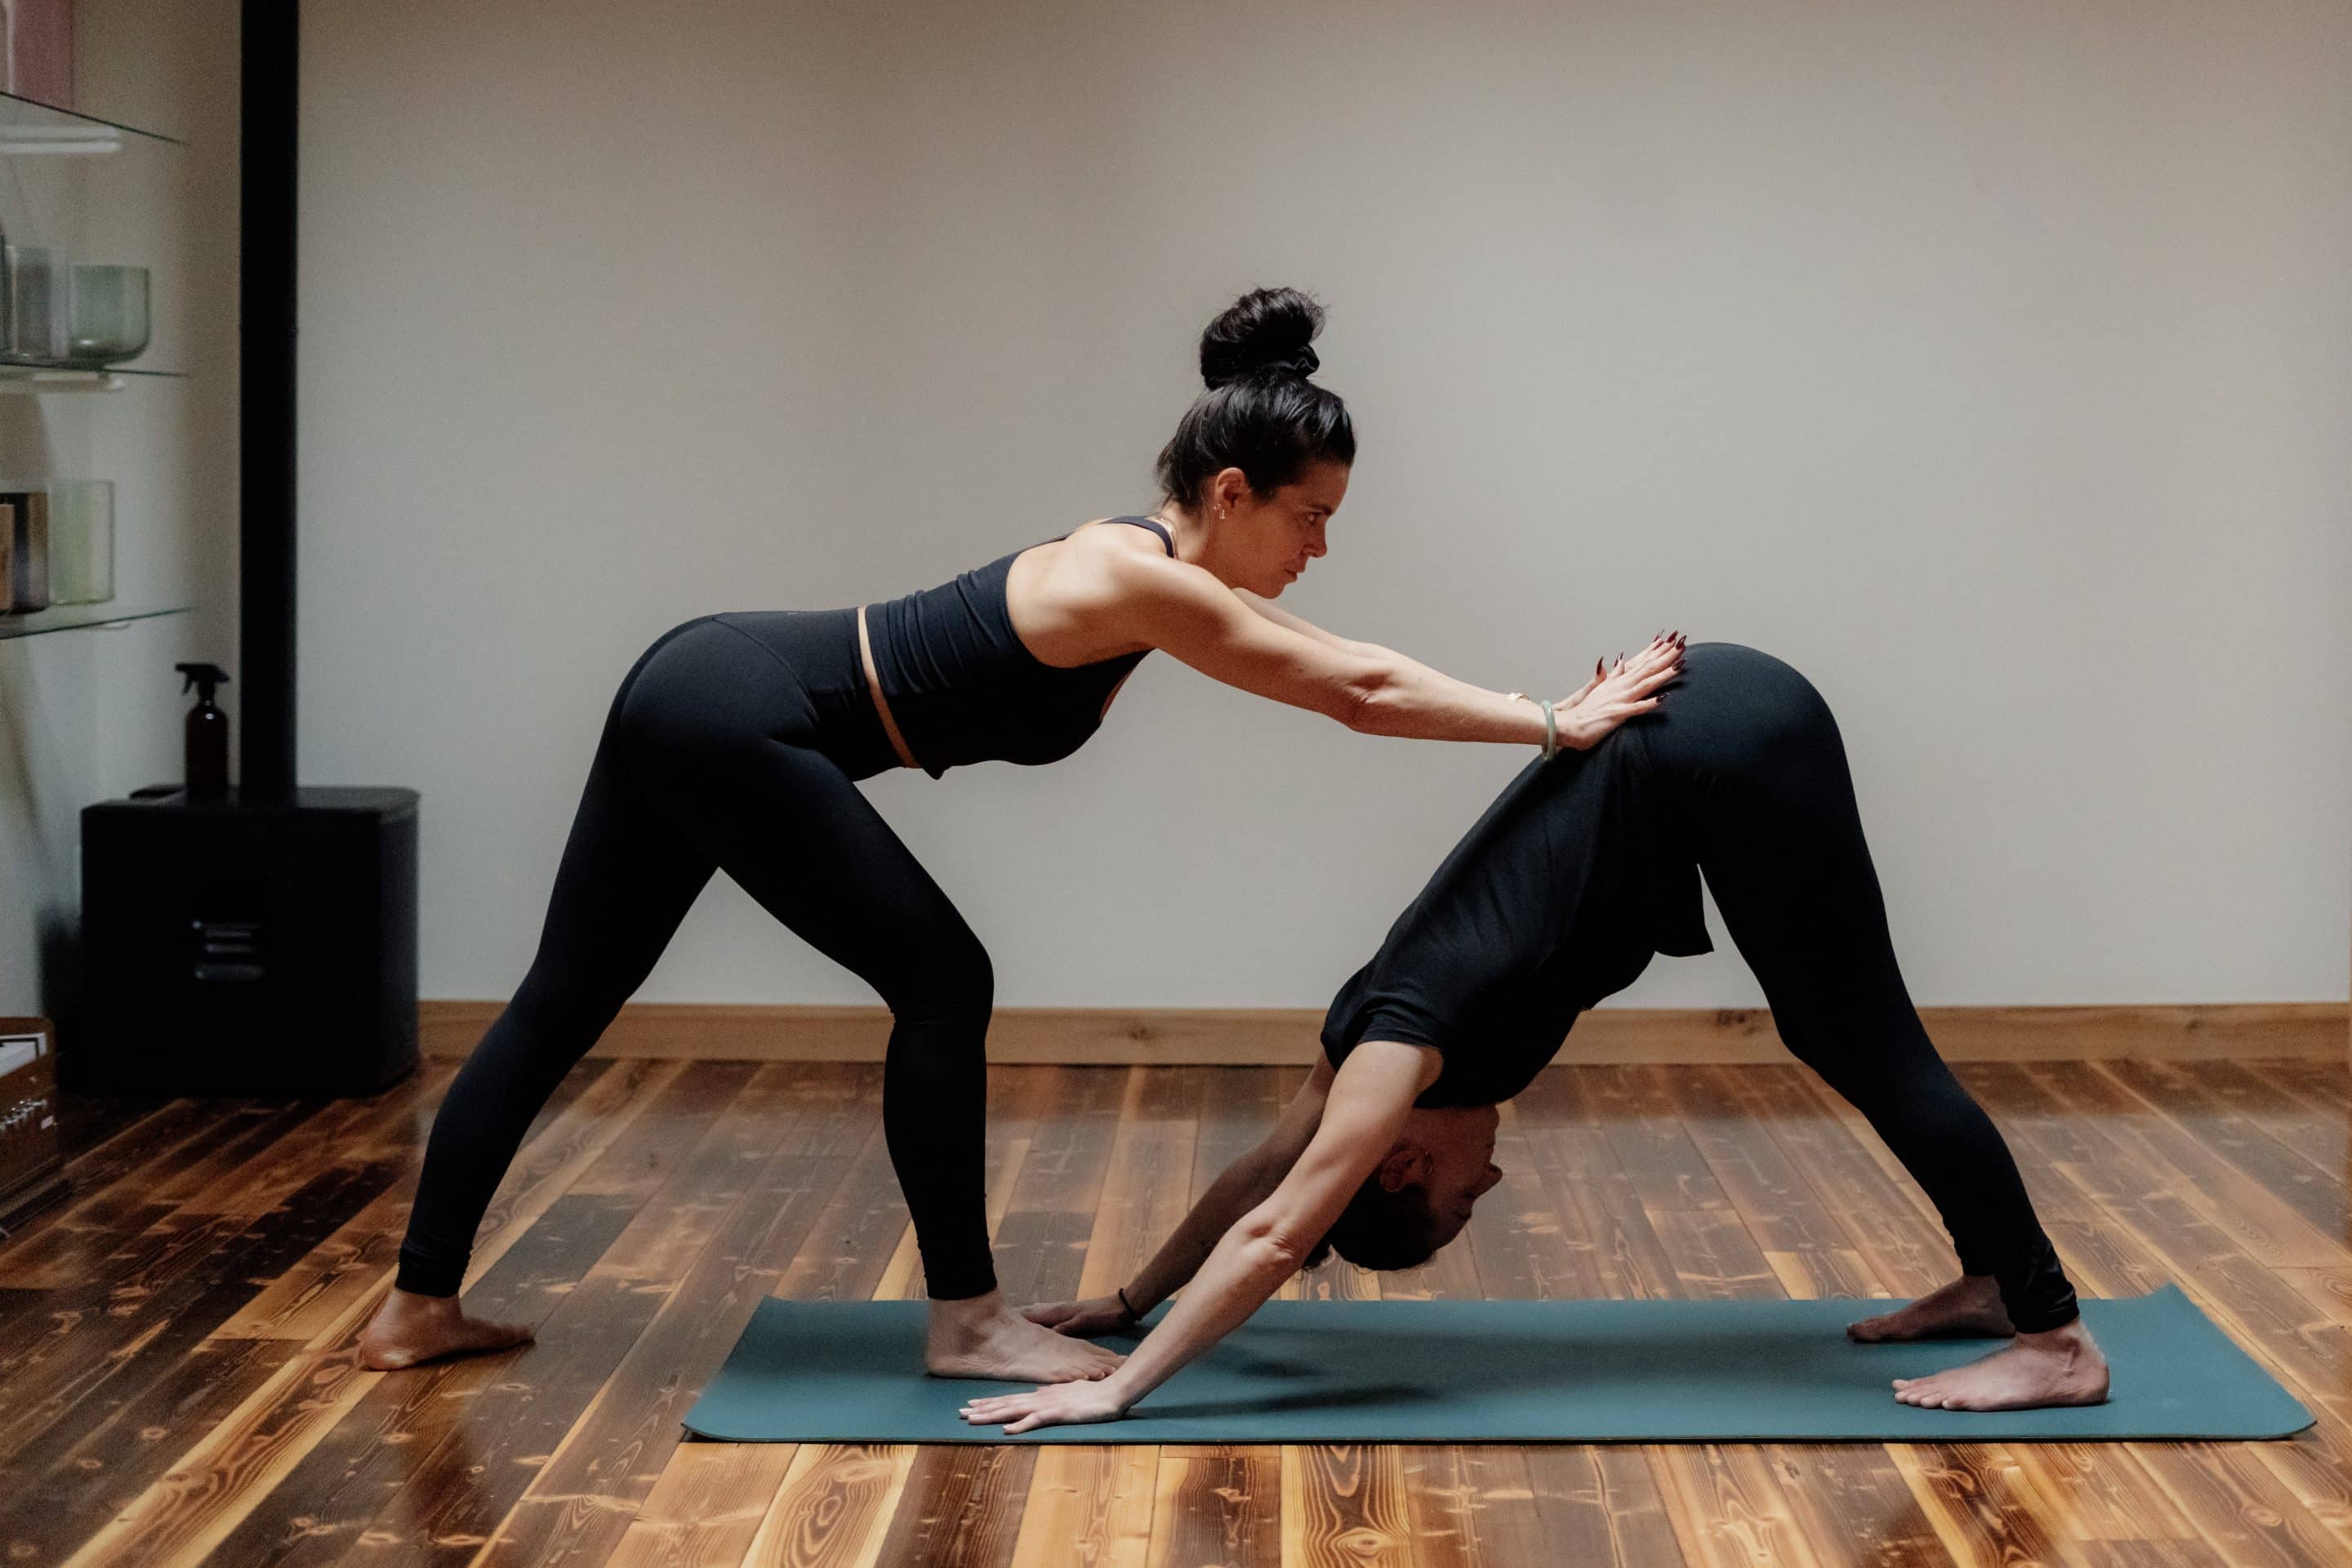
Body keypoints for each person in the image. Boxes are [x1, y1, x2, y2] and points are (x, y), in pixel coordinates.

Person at [357, 286, 1685, 1379]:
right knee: (943, 976)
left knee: (565, 1000)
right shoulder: (1135, 579)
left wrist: (1534, 709)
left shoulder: (1156, 573)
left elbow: (1340, 656)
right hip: (730, 712)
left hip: (701, 693)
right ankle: (966, 1320)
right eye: (1311, 517)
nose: (1319, 547)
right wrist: (1554, 725)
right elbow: (1356, 693)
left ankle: (416, 1308)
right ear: (1232, 493)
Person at [962, 639, 2109, 1432]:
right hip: (1696, 731)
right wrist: (1126, 1300)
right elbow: (1264, 1173)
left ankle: (2056, 1342)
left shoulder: (1399, 1057)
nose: (1494, 1177)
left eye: (1463, 1197)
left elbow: (1272, 1232)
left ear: (1402, 1161)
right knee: (1832, 1030)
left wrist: (1121, 1387)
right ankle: (1991, 1282)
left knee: (1863, 1042)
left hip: (1729, 737)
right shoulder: (1365, 1050)